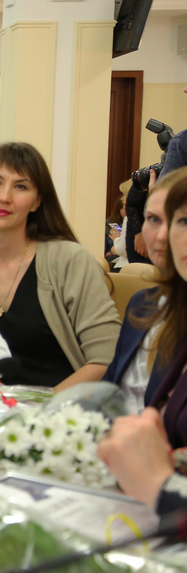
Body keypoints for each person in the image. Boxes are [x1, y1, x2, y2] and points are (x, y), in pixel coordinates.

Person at [0, 141, 119, 390]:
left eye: (21, 186)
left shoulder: (70, 261)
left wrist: (38, 408)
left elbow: (106, 360)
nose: (4, 197)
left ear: (36, 202)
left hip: (65, 408)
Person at [102, 167, 183, 410]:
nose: (162, 236)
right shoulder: (142, 303)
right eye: (154, 219)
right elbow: (109, 391)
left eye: (182, 221)